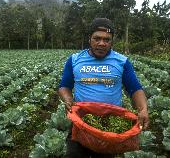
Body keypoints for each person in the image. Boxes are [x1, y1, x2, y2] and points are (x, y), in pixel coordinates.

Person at [58, 17, 149, 158]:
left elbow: (135, 88)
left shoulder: (122, 61)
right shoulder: (75, 59)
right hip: (81, 121)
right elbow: (64, 86)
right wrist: (68, 99)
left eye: (107, 40)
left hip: (109, 123)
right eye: (97, 38)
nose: (101, 43)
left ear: (112, 41)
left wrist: (143, 109)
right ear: (90, 39)